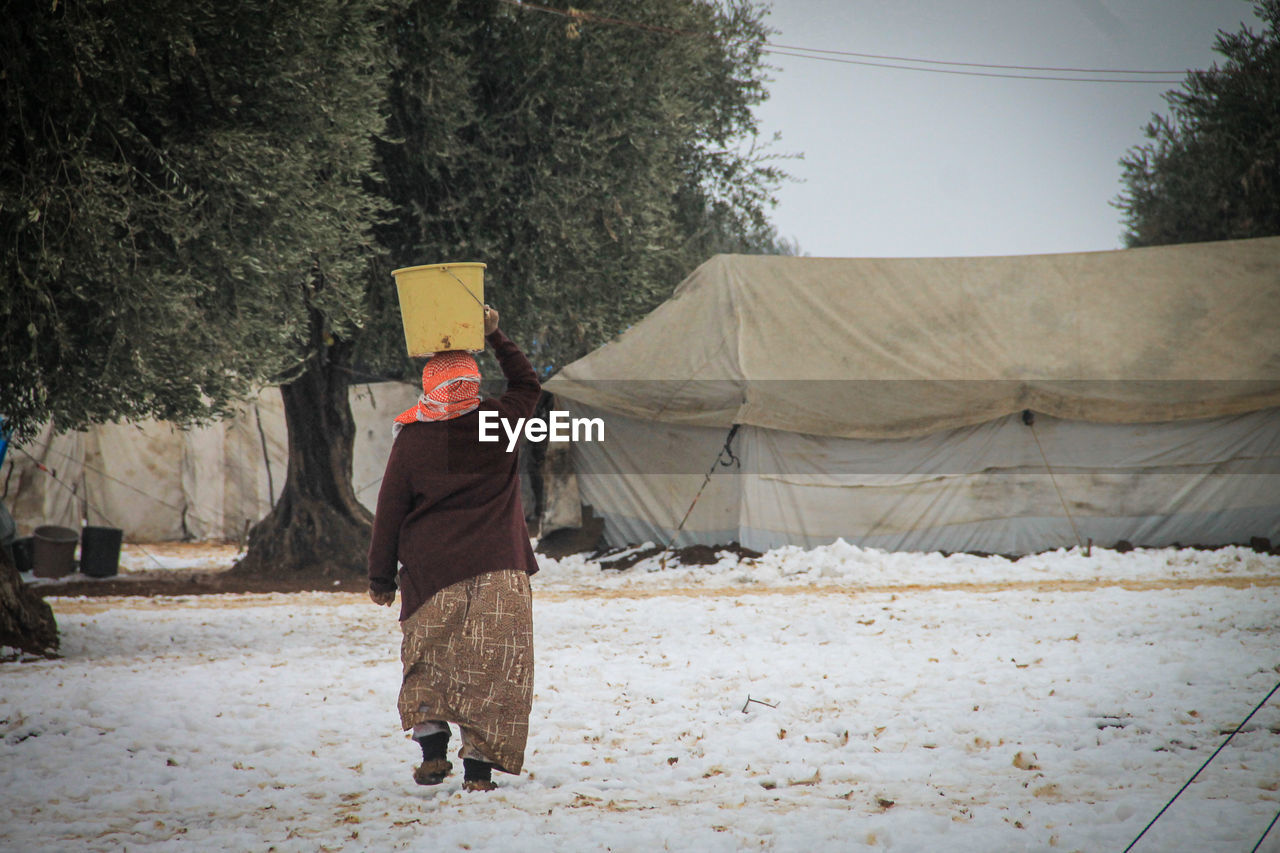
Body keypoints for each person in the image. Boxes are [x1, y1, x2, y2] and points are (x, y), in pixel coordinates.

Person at [367, 304, 541, 792]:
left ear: (429, 387)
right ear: (475, 384)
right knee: (495, 670)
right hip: (499, 571)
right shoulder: (500, 424)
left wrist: (380, 578)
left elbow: (390, 513)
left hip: (431, 573)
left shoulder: (414, 439)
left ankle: (432, 751)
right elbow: (528, 386)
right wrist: (496, 334)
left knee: (428, 662)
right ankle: (479, 774)